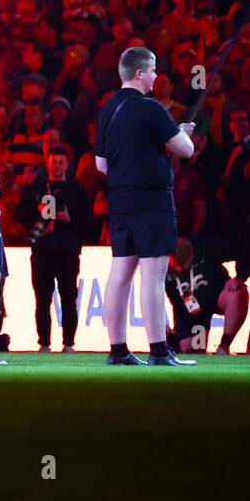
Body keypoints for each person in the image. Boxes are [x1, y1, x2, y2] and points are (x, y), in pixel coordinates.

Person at [94, 47, 196, 366]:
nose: (155, 76)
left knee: (121, 272)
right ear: (139, 73)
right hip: (151, 201)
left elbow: (101, 164)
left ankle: (118, 350)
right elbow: (186, 150)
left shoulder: (107, 109)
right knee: (152, 275)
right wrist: (180, 132)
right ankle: (158, 352)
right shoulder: (151, 108)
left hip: (120, 200)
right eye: (152, 70)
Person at [24, 145, 90, 352]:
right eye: (53, 162)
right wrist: (39, 213)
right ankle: (44, 343)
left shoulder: (77, 190)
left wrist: (68, 219)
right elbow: (22, 215)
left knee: (69, 298)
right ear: (48, 162)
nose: (57, 166)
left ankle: (69, 344)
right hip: (42, 251)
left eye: (60, 162)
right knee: (42, 299)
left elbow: (87, 222)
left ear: (67, 164)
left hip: (67, 251)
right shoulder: (37, 188)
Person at [164, 240, 248, 355]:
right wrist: (164, 324)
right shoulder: (160, 264)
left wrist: (240, 276)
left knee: (238, 292)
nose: (179, 269)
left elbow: (242, 248)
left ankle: (224, 345)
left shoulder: (207, 250)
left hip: (217, 297)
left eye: (183, 263)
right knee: (193, 351)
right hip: (191, 314)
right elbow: (153, 297)